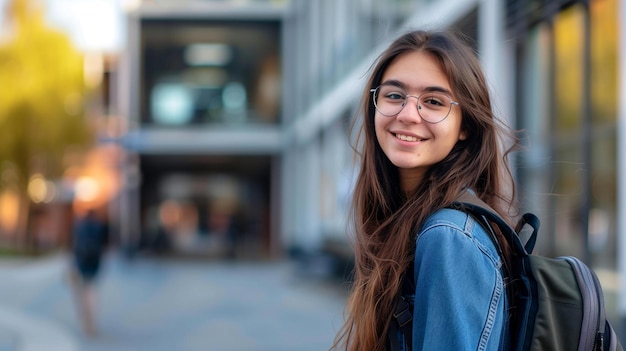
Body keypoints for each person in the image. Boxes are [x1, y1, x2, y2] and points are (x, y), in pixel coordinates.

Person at [332, 29, 519, 350]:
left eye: (433, 102)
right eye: (394, 95)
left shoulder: (449, 236)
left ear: (466, 127)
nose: (407, 114)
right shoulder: (408, 225)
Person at [70, 209, 109, 337]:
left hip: (80, 263)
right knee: (92, 292)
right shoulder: (100, 226)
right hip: (94, 264)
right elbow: (106, 244)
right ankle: (92, 322)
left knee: (81, 294)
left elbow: (72, 244)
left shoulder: (79, 226)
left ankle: (85, 322)